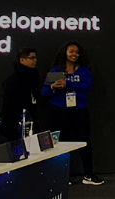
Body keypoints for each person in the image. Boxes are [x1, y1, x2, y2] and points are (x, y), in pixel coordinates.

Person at [42, 41, 103, 185]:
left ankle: (88, 174)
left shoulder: (84, 71)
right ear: (65, 53)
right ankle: (61, 176)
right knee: (59, 143)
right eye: (71, 51)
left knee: (84, 141)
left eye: (77, 52)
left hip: (79, 110)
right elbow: (44, 92)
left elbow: (86, 86)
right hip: (59, 110)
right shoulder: (56, 71)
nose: (74, 54)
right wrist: (53, 86)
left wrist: (67, 84)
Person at [0, 46, 40, 140]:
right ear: (22, 60)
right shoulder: (13, 79)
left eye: (35, 58)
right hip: (15, 119)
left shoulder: (35, 76)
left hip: (31, 116)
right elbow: (8, 102)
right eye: (32, 58)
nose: (35, 60)